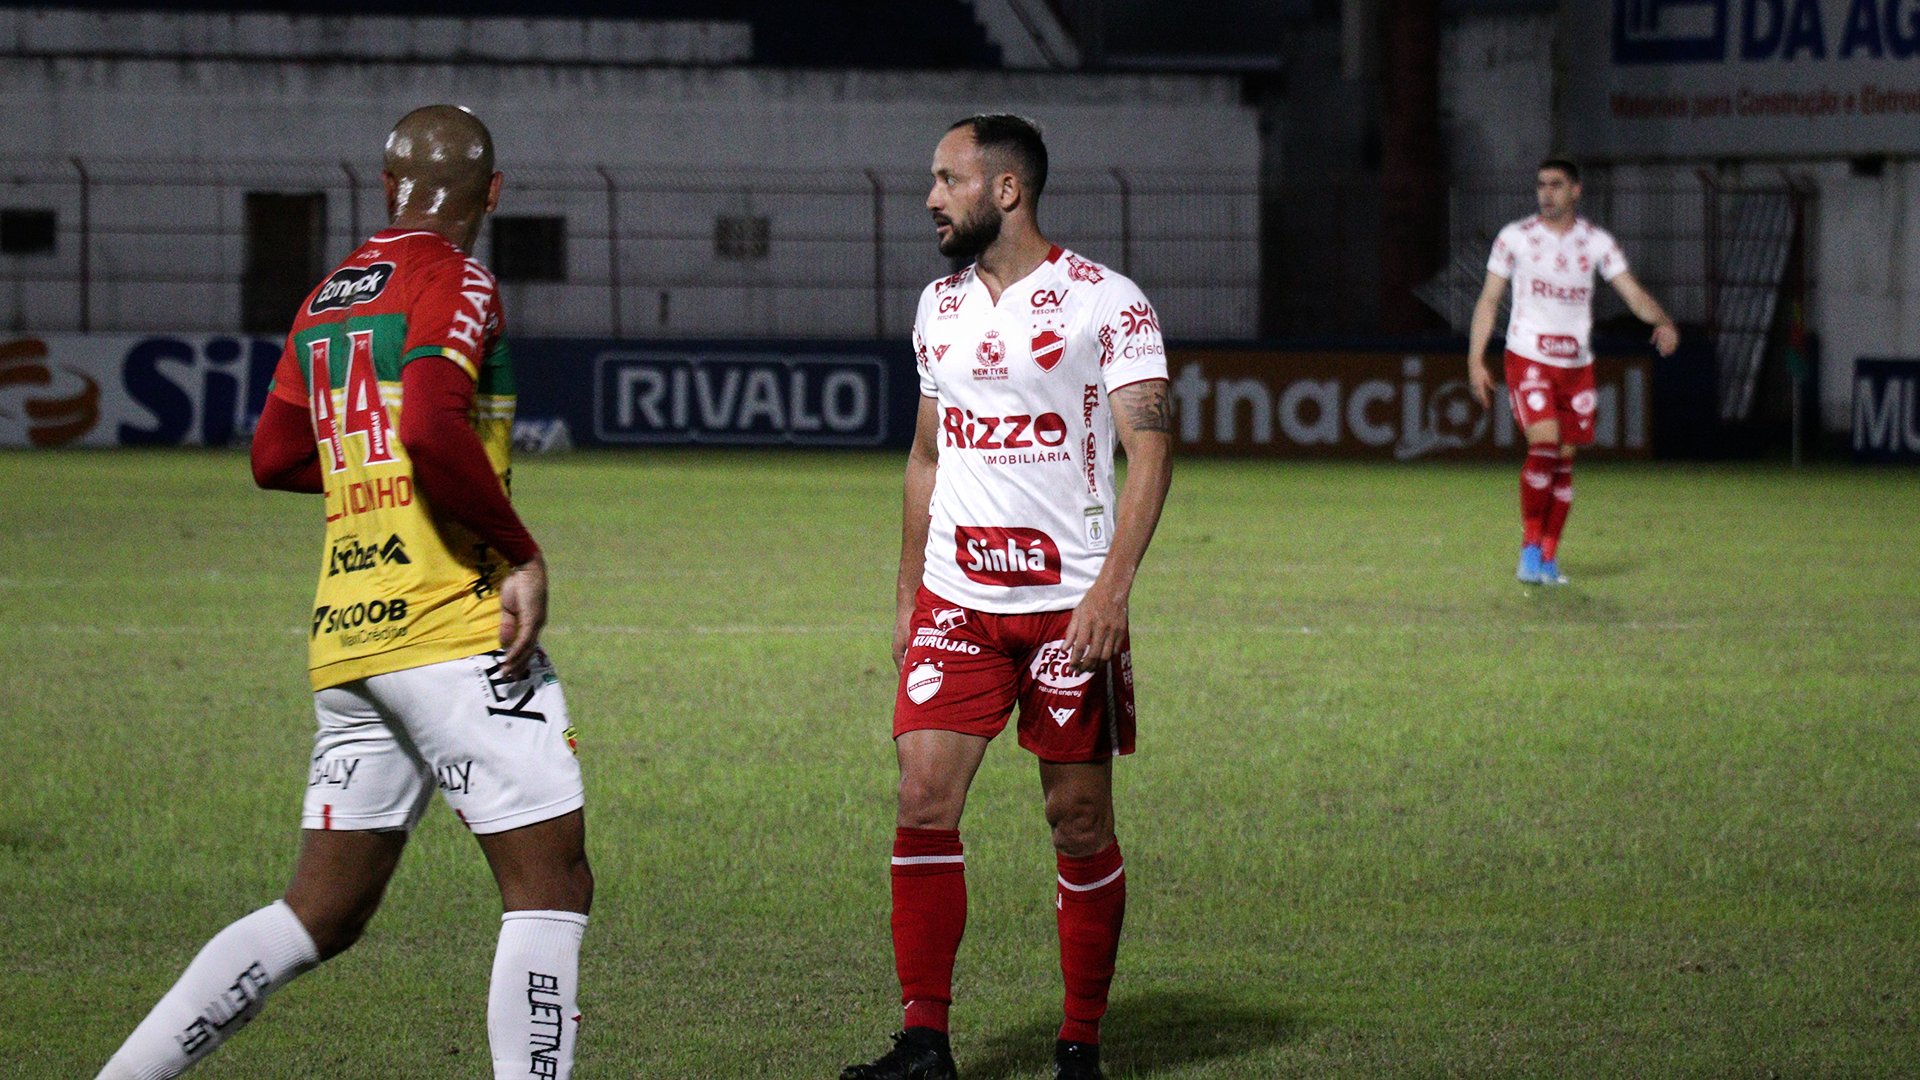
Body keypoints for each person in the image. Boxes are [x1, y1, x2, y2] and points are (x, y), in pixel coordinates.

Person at [95, 106, 593, 1080]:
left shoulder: (330, 294)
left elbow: (276, 456)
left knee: (319, 912)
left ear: (387, 187)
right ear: (493, 193)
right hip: (453, 630)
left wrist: (375, 472)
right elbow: (433, 426)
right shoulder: (459, 279)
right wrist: (520, 552)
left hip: (351, 641)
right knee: (551, 886)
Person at [841, 114, 1173, 1080]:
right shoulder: (937, 308)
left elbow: (1150, 449)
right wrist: (909, 591)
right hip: (958, 600)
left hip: (1070, 606)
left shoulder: (1106, 302)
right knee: (922, 797)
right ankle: (924, 1042)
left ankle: (1080, 1043)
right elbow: (926, 455)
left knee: (1078, 821)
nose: (931, 199)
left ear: (1007, 190)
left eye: (948, 180)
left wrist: (1112, 590)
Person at [1467, 158, 1678, 585]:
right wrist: (1475, 359)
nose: (1546, 193)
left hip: (1576, 366)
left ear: (1576, 191)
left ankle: (1548, 557)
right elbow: (1489, 300)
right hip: (1528, 356)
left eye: (1556, 185)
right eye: (1541, 185)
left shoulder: (1596, 242)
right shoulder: (1515, 238)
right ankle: (1529, 550)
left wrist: (1663, 321)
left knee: (1564, 463)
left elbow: (1632, 293)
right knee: (1544, 443)